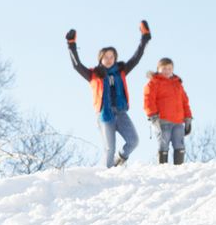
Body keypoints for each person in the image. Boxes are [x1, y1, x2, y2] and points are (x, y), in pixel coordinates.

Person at [66, 20, 151, 167]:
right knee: (109, 148)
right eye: (106, 57)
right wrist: (71, 45)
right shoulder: (93, 75)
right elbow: (76, 65)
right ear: (100, 59)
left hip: (121, 113)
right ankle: (108, 177)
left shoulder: (121, 71)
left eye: (112, 57)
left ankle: (121, 157)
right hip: (105, 116)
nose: (109, 59)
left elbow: (136, 58)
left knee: (134, 141)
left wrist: (145, 39)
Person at [142, 57, 193, 165]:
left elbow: (185, 102)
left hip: (178, 121)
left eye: (170, 68)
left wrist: (188, 118)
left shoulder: (177, 84)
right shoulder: (154, 83)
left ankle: (179, 167)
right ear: (158, 69)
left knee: (179, 144)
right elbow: (148, 100)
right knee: (163, 145)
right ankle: (163, 169)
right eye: (164, 68)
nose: (167, 71)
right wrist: (152, 116)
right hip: (163, 121)